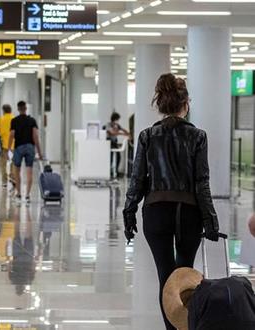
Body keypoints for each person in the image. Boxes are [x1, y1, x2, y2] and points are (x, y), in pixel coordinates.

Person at [123, 73, 220, 330]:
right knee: (185, 276)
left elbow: (137, 179)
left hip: (156, 212)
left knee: (166, 278)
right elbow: (202, 182)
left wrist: (129, 211)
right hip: (189, 213)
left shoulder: (147, 136)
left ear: (160, 103)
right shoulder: (198, 136)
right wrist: (210, 219)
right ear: (186, 102)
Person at [8, 101, 43, 204]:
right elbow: (35, 137)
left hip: (18, 147)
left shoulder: (14, 121)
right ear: (26, 109)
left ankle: (19, 193)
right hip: (30, 147)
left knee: (16, 171)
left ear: (18, 109)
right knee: (29, 172)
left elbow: (11, 134)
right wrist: (39, 152)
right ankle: (27, 195)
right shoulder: (32, 120)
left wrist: (9, 148)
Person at [104, 111, 130, 179]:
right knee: (110, 157)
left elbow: (124, 130)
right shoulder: (108, 125)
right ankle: (110, 172)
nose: (118, 121)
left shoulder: (117, 125)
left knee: (118, 157)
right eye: (117, 119)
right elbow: (111, 133)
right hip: (109, 141)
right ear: (114, 119)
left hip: (115, 142)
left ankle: (117, 171)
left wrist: (127, 133)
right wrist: (121, 133)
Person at [0, 104, 15, 188]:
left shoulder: (0, 119)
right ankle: (12, 176)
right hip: (14, 145)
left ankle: (4, 181)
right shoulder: (14, 119)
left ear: (3, 110)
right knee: (13, 162)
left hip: (4, 145)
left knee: (3, 164)